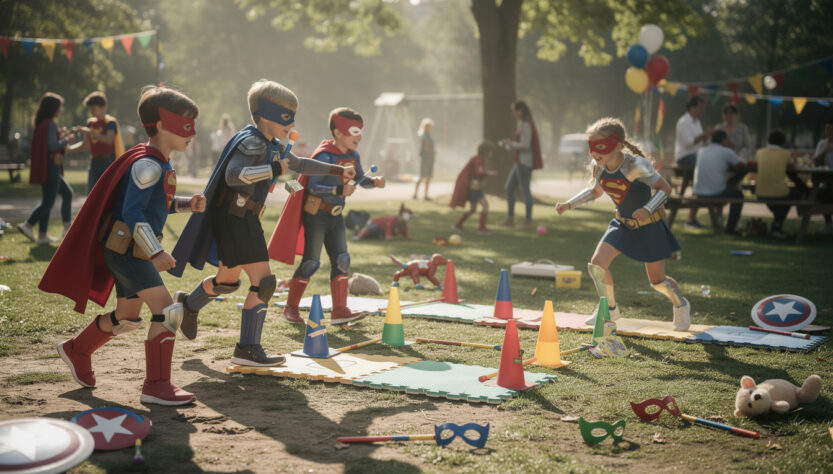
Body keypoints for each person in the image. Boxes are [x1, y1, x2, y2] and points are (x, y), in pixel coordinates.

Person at [168, 80, 355, 366]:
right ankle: (247, 349)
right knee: (265, 282)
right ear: (265, 115)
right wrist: (271, 169)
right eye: (285, 115)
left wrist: (336, 169)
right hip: (237, 218)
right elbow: (233, 176)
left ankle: (188, 304)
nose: (290, 122)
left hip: (241, 217)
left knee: (227, 282)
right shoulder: (252, 141)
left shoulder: (270, 143)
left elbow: (300, 165)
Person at [40, 85, 205, 405]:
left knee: (128, 316)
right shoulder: (149, 164)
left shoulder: (157, 161)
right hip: (130, 251)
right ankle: (157, 386)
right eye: (186, 125)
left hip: (126, 249)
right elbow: (132, 212)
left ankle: (77, 350)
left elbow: (158, 205)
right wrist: (155, 251)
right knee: (169, 311)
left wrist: (187, 204)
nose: (192, 133)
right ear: (160, 124)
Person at [556, 117, 690, 330]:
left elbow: (665, 189)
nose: (594, 152)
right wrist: (569, 204)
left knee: (657, 282)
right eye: (591, 146)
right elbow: (594, 191)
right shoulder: (598, 167)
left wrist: (648, 209)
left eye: (601, 146)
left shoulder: (636, 165)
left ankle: (680, 305)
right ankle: (609, 310)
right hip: (621, 224)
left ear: (618, 145)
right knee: (597, 265)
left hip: (649, 227)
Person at [270, 107, 386, 325]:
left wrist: (374, 181)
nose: (359, 136)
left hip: (336, 215)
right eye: (354, 130)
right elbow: (313, 186)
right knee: (311, 262)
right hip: (317, 215)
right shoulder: (325, 155)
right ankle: (291, 308)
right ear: (338, 132)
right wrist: (338, 191)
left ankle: (340, 310)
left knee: (342, 261)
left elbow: (360, 178)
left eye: (360, 131)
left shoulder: (353, 155)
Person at [18, 92, 76, 244]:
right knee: (49, 201)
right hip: (51, 166)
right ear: (53, 108)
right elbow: (52, 146)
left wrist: (60, 137)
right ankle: (29, 224)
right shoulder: (49, 123)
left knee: (63, 194)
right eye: (59, 107)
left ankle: (42, 235)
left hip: (48, 165)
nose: (61, 110)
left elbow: (48, 143)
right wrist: (66, 140)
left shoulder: (42, 123)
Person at [755, 130, 808, 239]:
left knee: (781, 202)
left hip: (760, 192)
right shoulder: (785, 154)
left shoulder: (759, 152)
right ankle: (777, 225)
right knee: (793, 196)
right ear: (783, 142)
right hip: (779, 193)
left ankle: (776, 225)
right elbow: (794, 169)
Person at [69, 91, 125, 194]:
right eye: (90, 110)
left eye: (94, 109)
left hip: (108, 161)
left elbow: (108, 140)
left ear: (103, 107)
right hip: (94, 161)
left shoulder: (110, 122)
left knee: (108, 194)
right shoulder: (90, 123)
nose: (92, 112)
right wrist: (68, 149)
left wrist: (91, 132)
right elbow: (85, 145)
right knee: (92, 193)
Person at [693, 130, 747, 234]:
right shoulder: (726, 151)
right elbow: (742, 164)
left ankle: (721, 222)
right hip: (714, 192)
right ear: (724, 140)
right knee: (738, 194)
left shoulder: (701, 150)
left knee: (727, 186)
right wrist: (731, 147)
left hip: (698, 191)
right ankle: (730, 229)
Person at [499, 100, 543, 228]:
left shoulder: (527, 125)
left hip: (524, 162)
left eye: (514, 111)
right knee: (509, 187)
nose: (513, 114)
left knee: (525, 191)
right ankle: (510, 218)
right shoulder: (523, 124)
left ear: (520, 111)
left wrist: (510, 144)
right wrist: (511, 143)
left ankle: (528, 220)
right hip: (519, 161)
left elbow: (525, 145)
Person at [674, 96, 714, 228]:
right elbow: (689, 142)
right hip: (685, 157)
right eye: (700, 108)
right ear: (692, 107)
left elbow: (701, 143)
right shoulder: (684, 121)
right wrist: (705, 135)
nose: (702, 111)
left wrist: (707, 138)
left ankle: (692, 217)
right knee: (707, 167)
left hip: (697, 156)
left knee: (709, 163)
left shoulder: (697, 122)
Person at [450, 141, 498, 234]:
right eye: (491, 151)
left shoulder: (479, 159)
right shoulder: (478, 160)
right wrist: (489, 173)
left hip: (472, 187)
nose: (492, 153)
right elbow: (479, 172)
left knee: (473, 209)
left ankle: (458, 225)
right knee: (485, 205)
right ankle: (481, 228)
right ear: (486, 151)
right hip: (473, 188)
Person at [812, 118, 833, 233]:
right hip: (827, 181)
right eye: (827, 129)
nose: (828, 132)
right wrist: (825, 151)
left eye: (831, 129)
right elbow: (816, 162)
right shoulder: (822, 144)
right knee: (820, 193)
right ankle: (829, 224)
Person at [413, 118, 435, 200]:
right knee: (422, 176)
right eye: (428, 126)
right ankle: (415, 194)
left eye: (430, 126)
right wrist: (433, 152)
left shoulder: (429, 136)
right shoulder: (424, 136)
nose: (429, 128)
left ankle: (426, 195)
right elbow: (426, 147)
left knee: (428, 177)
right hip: (425, 158)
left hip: (430, 159)